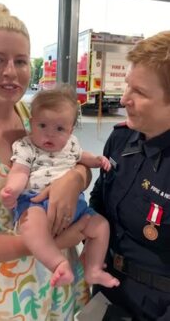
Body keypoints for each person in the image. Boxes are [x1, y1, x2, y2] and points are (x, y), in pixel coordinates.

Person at [0, 3, 92, 320]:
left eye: (20, 61)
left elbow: (75, 161)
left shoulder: (33, 115)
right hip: (1, 297)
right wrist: (44, 243)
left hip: (53, 289)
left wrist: (73, 179)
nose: (11, 71)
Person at [0, 84, 120, 288]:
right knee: (30, 224)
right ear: (31, 123)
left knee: (101, 226)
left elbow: (83, 158)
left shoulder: (71, 144)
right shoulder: (26, 145)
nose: (50, 135)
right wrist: (12, 189)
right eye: (42, 126)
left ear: (71, 130)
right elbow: (20, 171)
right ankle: (58, 263)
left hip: (75, 206)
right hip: (35, 203)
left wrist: (98, 160)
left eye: (59, 129)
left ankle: (94, 269)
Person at [89, 31, 170, 321]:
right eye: (127, 87)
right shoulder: (121, 141)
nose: (124, 100)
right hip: (106, 289)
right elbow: (98, 201)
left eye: (141, 93)